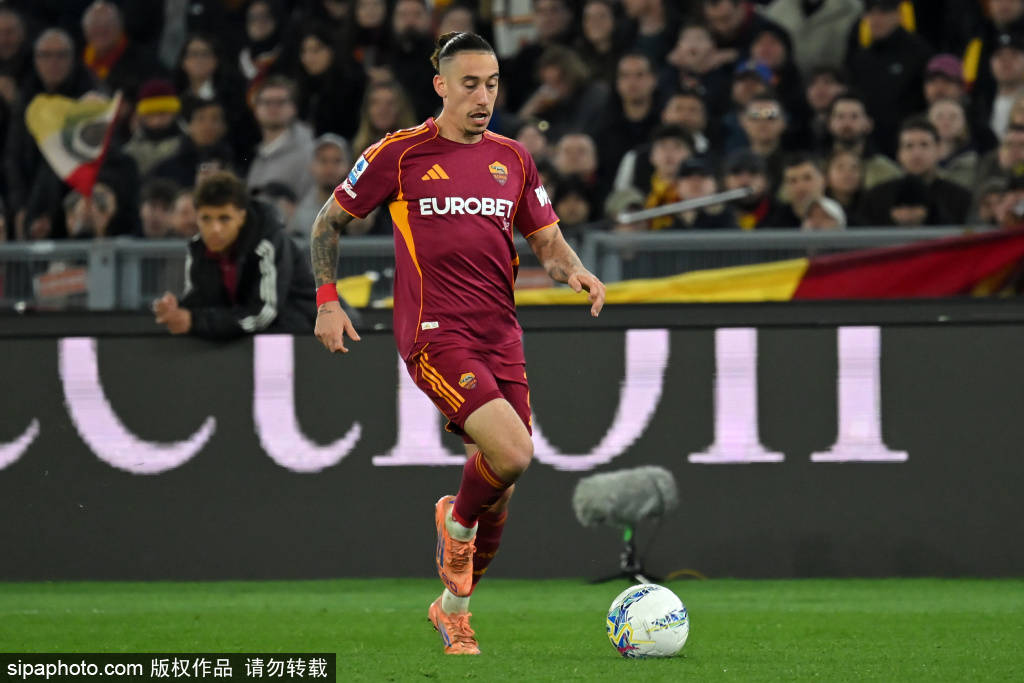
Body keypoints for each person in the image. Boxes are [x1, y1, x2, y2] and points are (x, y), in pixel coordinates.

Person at [309, 31, 606, 656]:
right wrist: (327, 301)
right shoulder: (399, 154)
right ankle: (456, 521)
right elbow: (328, 223)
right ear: (441, 86)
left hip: (501, 334)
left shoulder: (514, 158)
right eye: (470, 84)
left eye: (492, 84)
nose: (483, 97)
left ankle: (453, 612)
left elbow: (547, 242)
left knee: (503, 484)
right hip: (435, 333)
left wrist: (575, 270)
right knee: (515, 454)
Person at [154, 171, 326, 338]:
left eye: (224, 218)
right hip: (254, 338)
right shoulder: (198, 249)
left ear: (241, 217)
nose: (215, 229)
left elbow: (263, 314)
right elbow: (202, 303)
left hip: (310, 335)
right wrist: (179, 310)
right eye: (206, 218)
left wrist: (195, 321)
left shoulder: (267, 243)